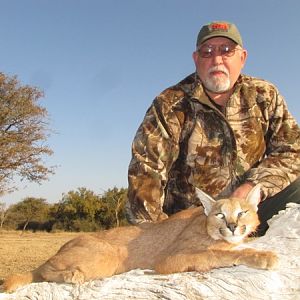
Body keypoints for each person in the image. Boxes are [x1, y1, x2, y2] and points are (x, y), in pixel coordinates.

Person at [126, 21, 300, 235]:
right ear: (196, 59)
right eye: (207, 52)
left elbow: (292, 151)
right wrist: (157, 236)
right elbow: (145, 170)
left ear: (242, 58)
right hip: (195, 224)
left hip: (253, 212)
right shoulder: (170, 104)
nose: (217, 60)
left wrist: (254, 187)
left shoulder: (265, 95)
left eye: (226, 51)